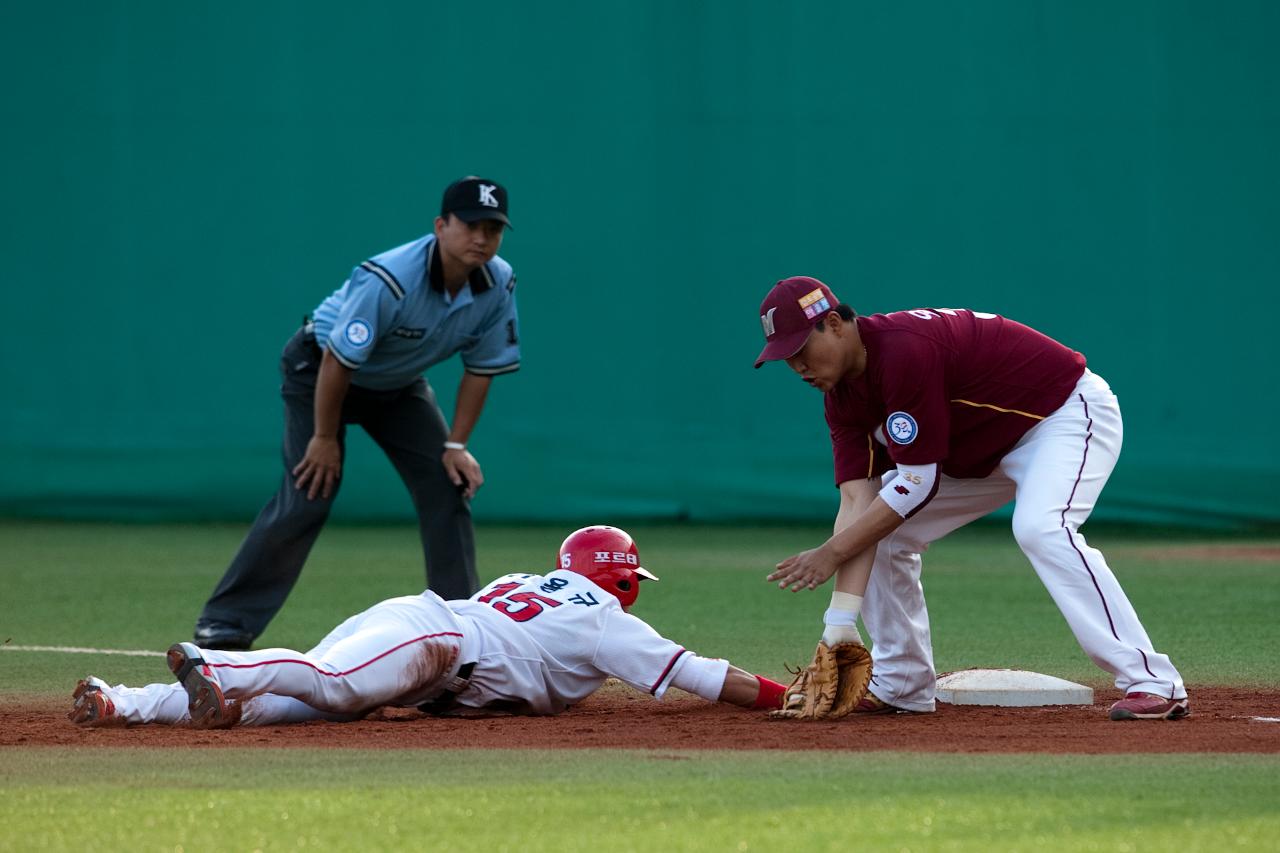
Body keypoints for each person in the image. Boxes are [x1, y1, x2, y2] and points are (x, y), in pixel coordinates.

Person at [753, 276, 1188, 722]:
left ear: (835, 323)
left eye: (801, 349)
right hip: (984, 450)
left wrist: (829, 555)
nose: (798, 367)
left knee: (1042, 528)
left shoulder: (903, 351)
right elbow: (857, 504)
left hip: (1062, 415)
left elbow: (918, 483)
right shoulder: (841, 399)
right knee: (882, 529)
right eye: (786, 359)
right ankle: (902, 683)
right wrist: (839, 623)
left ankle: (1152, 681)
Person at [193, 177, 522, 651]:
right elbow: (337, 361)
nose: (482, 238)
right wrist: (324, 437)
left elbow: (481, 368)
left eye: (493, 228)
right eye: (471, 225)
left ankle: (462, 630)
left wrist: (455, 446)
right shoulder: (389, 278)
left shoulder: (498, 282)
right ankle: (225, 625)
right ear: (440, 226)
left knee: (448, 484)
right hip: (319, 372)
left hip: (396, 385)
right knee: (310, 491)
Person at [70, 526, 788, 728]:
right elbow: (701, 673)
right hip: (439, 644)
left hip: (416, 629)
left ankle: (118, 700)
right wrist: (784, 695)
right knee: (336, 687)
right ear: (624, 578)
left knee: (281, 708)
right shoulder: (606, 621)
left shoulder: (524, 581)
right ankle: (218, 663)